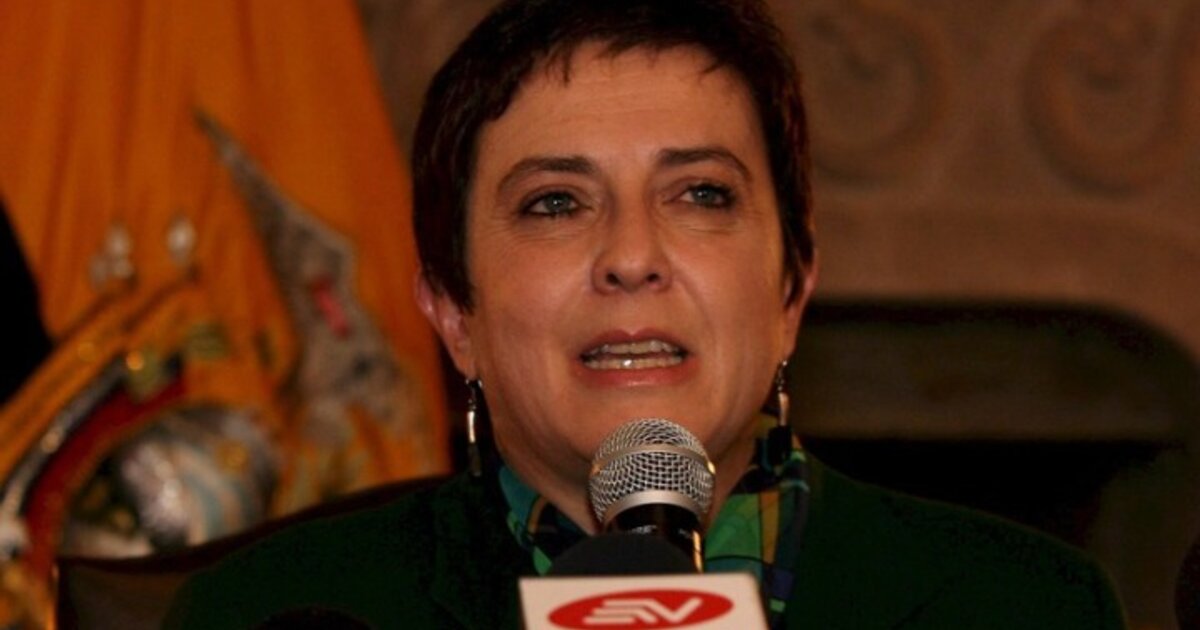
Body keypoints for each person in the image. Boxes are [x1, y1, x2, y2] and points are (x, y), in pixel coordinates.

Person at [164, 0, 1126, 627]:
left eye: (701, 194)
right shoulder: (278, 614)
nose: (631, 256)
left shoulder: (1022, 606)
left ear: (791, 291)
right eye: (555, 203)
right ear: (455, 313)